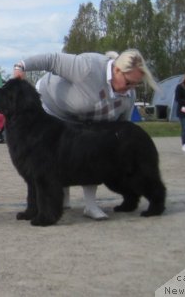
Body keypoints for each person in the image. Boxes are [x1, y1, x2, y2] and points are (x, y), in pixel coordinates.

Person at [13, 49, 158, 220]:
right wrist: (21, 66)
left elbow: (121, 125)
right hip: (53, 107)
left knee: (92, 155)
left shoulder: (128, 95)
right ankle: (60, 200)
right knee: (51, 160)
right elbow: (51, 59)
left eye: (136, 84)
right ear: (117, 70)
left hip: (86, 119)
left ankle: (90, 205)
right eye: (128, 82)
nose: (131, 88)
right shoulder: (87, 67)